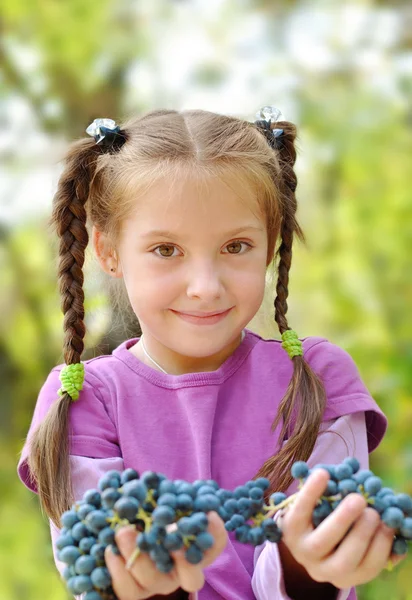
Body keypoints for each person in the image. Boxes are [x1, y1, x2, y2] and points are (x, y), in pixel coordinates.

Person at [16, 107, 406, 600]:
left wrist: (305, 562)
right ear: (109, 250)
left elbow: (317, 547)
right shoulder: (85, 397)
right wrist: (158, 584)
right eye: (166, 250)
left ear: (269, 247)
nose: (205, 287)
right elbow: (100, 571)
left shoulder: (318, 377)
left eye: (236, 246)